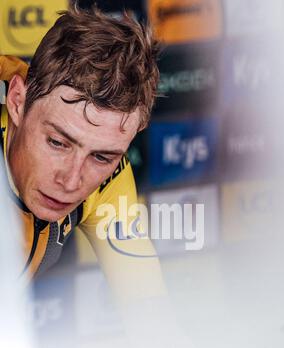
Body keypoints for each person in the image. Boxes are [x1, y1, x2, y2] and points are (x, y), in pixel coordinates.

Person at [0, 5, 166, 304]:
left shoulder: (110, 178)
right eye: (57, 142)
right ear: (17, 102)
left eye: (101, 157)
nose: (71, 180)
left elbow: (153, 321)